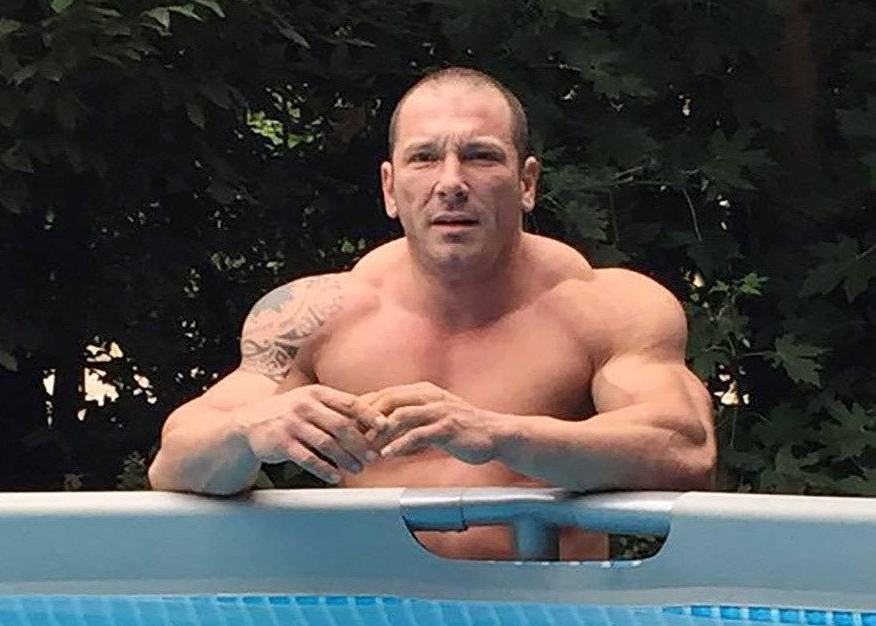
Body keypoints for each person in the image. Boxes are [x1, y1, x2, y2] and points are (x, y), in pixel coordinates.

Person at [148, 67, 716, 561]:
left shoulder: (606, 306)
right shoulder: (314, 315)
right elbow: (175, 464)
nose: (451, 183)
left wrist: (501, 434)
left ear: (526, 183)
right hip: (375, 609)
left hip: (548, 608)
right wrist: (249, 432)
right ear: (390, 188)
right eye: (424, 158)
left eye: (480, 156)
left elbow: (685, 451)